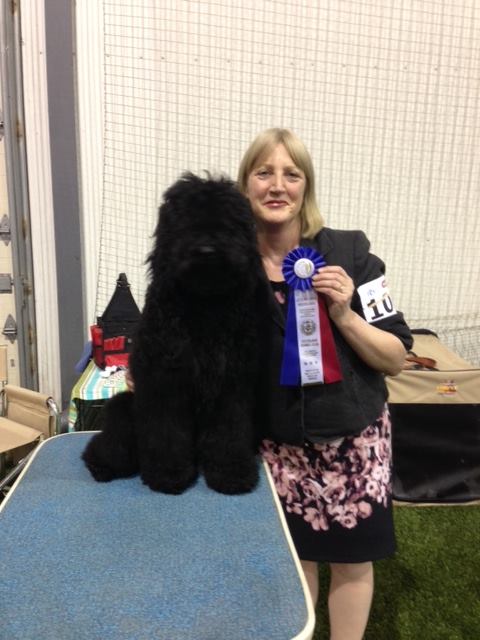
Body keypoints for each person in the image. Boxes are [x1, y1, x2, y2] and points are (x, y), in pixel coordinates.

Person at [236, 128, 413, 640]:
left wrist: (344, 314)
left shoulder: (352, 252)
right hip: (274, 445)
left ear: (305, 187)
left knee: (353, 562)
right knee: (294, 559)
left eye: (291, 174)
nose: (277, 185)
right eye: (264, 172)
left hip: (353, 442)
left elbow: (396, 358)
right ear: (245, 185)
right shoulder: (227, 265)